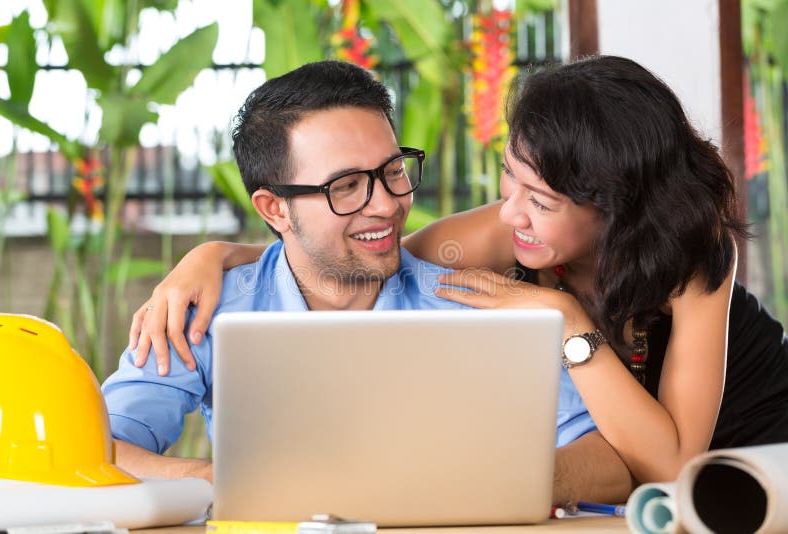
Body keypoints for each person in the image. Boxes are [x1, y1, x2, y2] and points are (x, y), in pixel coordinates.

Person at [130, 56, 788, 488]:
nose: (509, 214)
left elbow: (665, 464)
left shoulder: (692, 256)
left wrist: (565, 322)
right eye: (510, 181)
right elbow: (357, 255)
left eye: (541, 200)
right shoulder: (488, 240)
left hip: (742, 443)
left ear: (610, 206)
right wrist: (214, 257)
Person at [103, 60, 618, 501]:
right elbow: (90, 446)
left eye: (393, 170)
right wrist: (220, 482)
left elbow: (608, 461)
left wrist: (486, 482)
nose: (388, 204)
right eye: (346, 187)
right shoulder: (204, 315)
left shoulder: (473, 305)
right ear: (275, 208)